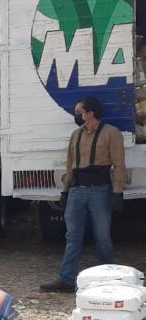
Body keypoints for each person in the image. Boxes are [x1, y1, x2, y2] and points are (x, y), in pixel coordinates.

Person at [40, 97, 127, 293]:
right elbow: (70, 165)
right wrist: (65, 190)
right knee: (72, 236)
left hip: (100, 190)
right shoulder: (75, 135)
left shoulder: (112, 133)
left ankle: (108, 279)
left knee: (103, 237)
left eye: (79, 112)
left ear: (90, 114)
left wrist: (117, 192)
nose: (76, 115)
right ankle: (67, 279)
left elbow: (119, 164)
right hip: (77, 191)